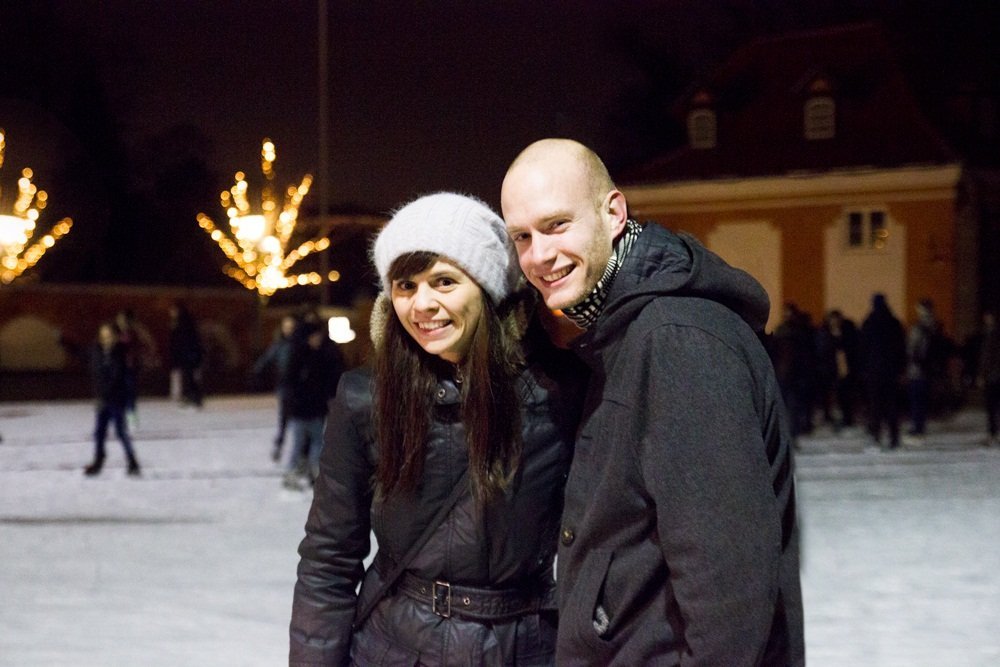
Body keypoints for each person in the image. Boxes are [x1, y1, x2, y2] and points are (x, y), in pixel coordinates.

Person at [500, 138, 803, 666]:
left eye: (557, 225)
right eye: (522, 237)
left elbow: (728, 587)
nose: (538, 256)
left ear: (614, 212)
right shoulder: (620, 330)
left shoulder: (677, 339)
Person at [290, 192, 585, 665]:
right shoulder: (366, 398)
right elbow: (329, 557)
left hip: (524, 648)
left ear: (487, 288)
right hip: (393, 648)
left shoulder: (558, 391)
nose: (422, 304)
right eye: (405, 286)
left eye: (444, 281)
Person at [281, 320, 345, 490]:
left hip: (316, 410)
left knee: (318, 442)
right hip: (300, 410)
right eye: (315, 336)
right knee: (298, 444)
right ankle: (291, 473)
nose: (318, 339)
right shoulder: (298, 356)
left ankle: (315, 471)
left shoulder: (322, 355)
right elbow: (290, 383)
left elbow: (329, 380)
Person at [84, 322, 141, 477]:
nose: (106, 339)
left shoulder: (119, 353)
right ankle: (98, 460)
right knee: (99, 432)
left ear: (116, 337)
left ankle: (132, 461)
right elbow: (82, 353)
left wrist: (107, 392)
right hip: (102, 399)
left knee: (120, 431)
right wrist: (64, 341)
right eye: (103, 336)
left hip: (115, 398)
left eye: (109, 336)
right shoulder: (97, 351)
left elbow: (118, 375)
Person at [859, 293, 907, 449]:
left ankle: (876, 435)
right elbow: (901, 348)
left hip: (874, 371)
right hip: (891, 371)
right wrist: (901, 369)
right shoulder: (894, 323)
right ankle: (894, 437)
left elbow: (862, 349)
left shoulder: (869, 323)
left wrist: (864, 369)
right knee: (892, 405)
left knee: (875, 405)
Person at [253, 314, 299, 462]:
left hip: (300, 389)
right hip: (285, 388)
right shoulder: (279, 345)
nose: (289, 330)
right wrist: (257, 371)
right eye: (286, 327)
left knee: (301, 422)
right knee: (284, 420)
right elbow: (267, 360)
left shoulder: (300, 345)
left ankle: (302, 453)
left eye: (291, 327)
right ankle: (279, 446)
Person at [904, 298, 939, 439]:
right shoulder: (935, 325)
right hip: (928, 368)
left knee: (916, 399)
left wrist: (911, 359)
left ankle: (917, 428)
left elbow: (913, 347)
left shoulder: (920, 327)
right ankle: (919, 426)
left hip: (917, 368)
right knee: (922, 399)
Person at [168, 301, 204, 408]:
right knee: (190, 377)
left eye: (173, 310)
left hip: (188, 354)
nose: (171, 312)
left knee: (190, 376)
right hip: (189, 354)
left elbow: (181, 340)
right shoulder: (183, 322)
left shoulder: (182, 323)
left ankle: (193, 397)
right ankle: (193, 397)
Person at [977, 310, 1000, 447]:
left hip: (993, 376)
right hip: (993, 375)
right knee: (993, 407)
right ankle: (993, 433)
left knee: (992, 406)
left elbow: (987, 358)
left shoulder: (992, 335)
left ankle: (993, 434)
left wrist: (982, 374)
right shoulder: (989, 334)